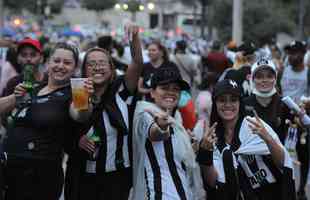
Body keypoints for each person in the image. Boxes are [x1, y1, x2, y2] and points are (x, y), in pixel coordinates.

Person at [66, 25, 143, 200]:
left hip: (118, 175)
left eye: (102, 63)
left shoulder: (122, 88)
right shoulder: (79, 89)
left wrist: (134, 36)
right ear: (84, 70)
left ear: (111, 68)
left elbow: (137, 62)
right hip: (85, 176)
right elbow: (78, 116)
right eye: (91, 64)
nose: (97, 67)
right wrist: (79, 138)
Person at [0, 42, 80, 200]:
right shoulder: (33, 88)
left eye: (67, 63)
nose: (60, 66)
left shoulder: (73, 92)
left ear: (75, 68)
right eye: (56, 61)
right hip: (10, 171)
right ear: (48, 63)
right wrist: (15, 98)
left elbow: (79, 115)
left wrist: (83, 98)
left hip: (40, 175)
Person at [195, 79, 295, 200]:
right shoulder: (213, 137)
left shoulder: (254, 125)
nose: (228, 105)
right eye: (222, 100)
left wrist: (268, 139)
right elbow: (213, 182)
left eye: (233, 100)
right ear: (215, 104)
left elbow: (284, 163)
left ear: (240, 103)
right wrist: (205, 153)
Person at [132, 67, 205, 200]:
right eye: (165, 88)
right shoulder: (145, 113)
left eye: (176, 89)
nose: (171, 92)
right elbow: (155, 133)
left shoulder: (176, 119)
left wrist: (192, 147)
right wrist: (161, 127)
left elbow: (178, 160)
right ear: (152, 92)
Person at [279, 41, 309, 200]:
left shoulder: (308, 74)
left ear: (303, 54)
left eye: (294, 53)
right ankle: (283, 185)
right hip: (284, 117)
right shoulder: (283, 70)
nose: (291, 56)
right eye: (289, 53)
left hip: (302, 120)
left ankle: (301, 189)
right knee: (283, 152)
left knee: (304, 155)